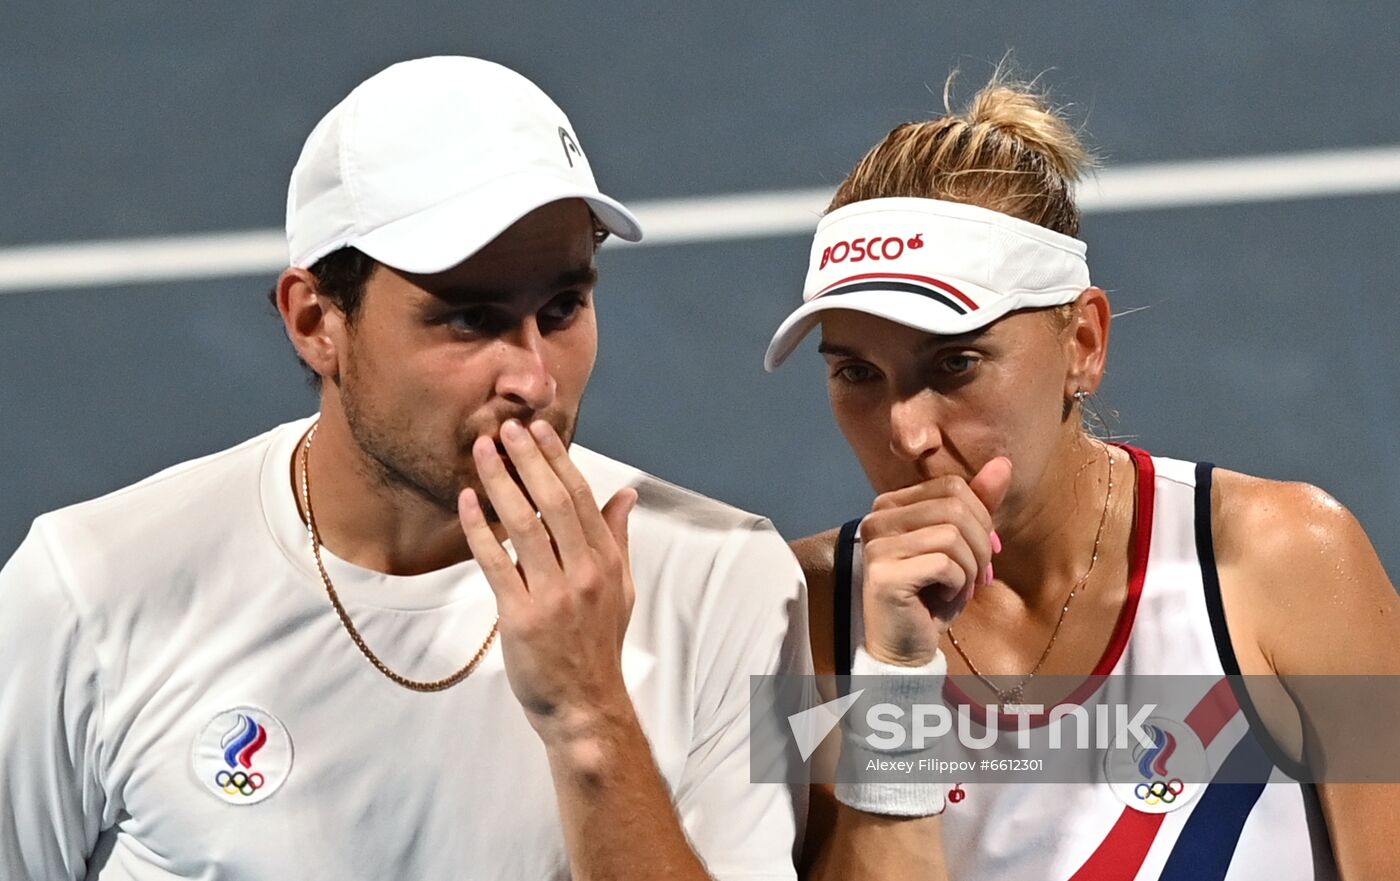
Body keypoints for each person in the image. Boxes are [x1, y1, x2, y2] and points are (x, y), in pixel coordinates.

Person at [0, 56, 810, 880]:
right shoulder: (87, 592)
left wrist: (591, 717)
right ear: (315, 321)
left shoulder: (726, 580)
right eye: (470, 319)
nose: (534, 380)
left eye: (563, 307)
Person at [769, 73, 1400, 880]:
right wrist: (895, 676)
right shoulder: (801, 620)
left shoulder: (1285, 562)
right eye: (856, 373)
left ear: (1083, 344)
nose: (908, 432)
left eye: (956, 363)